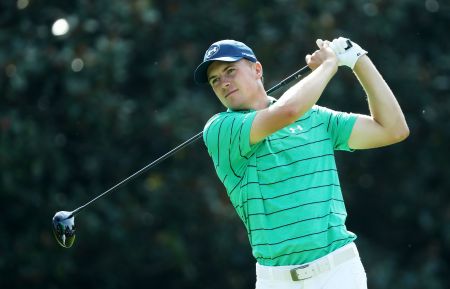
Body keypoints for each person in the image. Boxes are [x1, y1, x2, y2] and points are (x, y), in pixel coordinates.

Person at [194, 37, 409, 289]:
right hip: (276, 279)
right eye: (214, 80)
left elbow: (392, 129)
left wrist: (358, 59)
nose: (224, 83)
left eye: (230, 70)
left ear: (257, 70)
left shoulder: (316, 118)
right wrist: (329, 64)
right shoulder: (220, 129)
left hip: (338, 272)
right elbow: (288, 111)